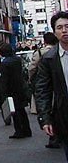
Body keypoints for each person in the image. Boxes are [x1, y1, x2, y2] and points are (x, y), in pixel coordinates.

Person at [36, 11, 68, 161]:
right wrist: (45, 119)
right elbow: (43, 90)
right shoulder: (49, 59)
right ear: (55, 32)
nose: (64, 30)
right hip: (64, 114)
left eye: (67, 26)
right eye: (60, 27)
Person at [29, 31, 60, 148]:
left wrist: (32, 80)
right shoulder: (60, 51)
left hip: (45, 85)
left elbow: (32, 68)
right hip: (59, 86)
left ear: (45, 41)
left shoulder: (40, 53)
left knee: (49, 109)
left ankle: (54, 136)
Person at [0, 42, 32, 139]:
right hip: (20, 87)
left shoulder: (5, 63)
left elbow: (4, 79)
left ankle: (19, 131)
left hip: (11, 89)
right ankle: (27, 130)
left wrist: (3, 92)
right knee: (22, 110)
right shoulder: (17, 60)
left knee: (15, 111)